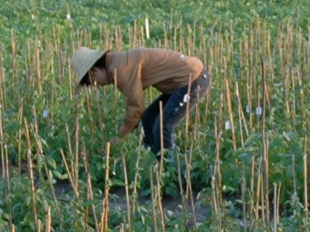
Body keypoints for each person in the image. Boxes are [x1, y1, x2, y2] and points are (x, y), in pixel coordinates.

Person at [72, 47, 211, 155]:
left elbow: (135, 107)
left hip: (193, 80)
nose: (97, 86)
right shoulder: (117, 63)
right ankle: (154, 161)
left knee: (162, 127)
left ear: (94, 71)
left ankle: (171, 170)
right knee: (148, 118)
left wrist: (119, 137)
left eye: (92, 82)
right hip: (182, 82)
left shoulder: (119, 69)